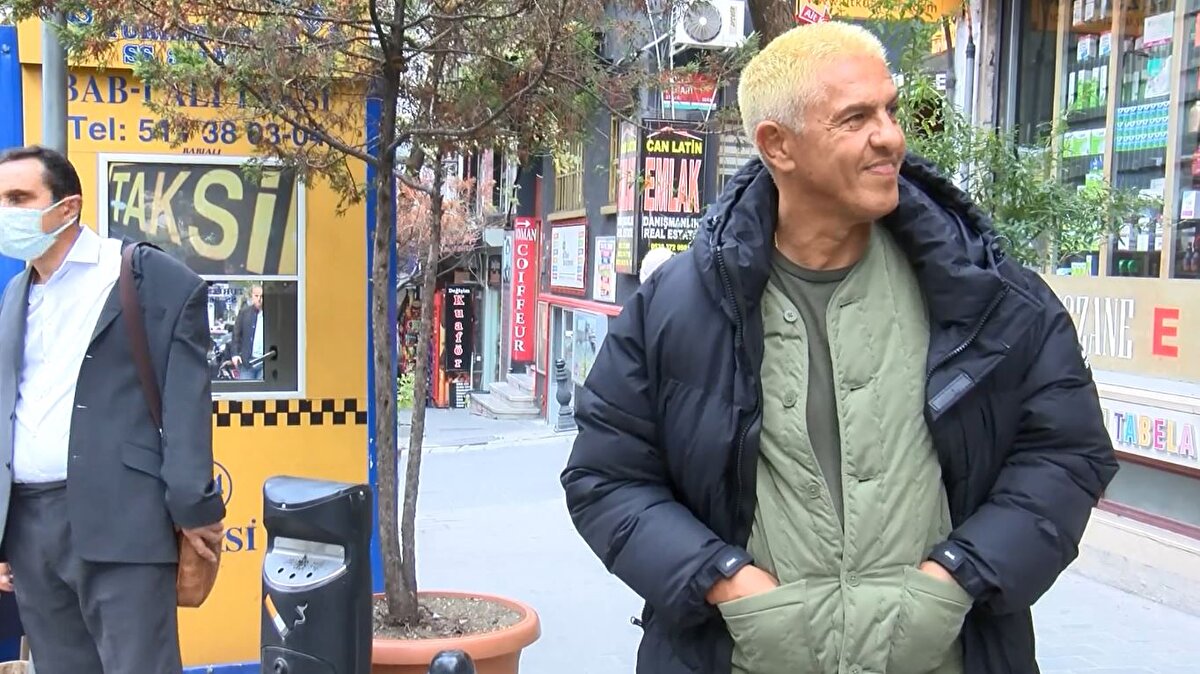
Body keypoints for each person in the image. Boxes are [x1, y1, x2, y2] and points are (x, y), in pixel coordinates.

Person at [561, 22, 1117, 674]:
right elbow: (606, 477)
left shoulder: (986, 293)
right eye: (856, 118)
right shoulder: (677, 309)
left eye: (889, 109)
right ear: (778, 145)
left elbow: (1066, 451)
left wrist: (958, 575)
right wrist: (724, 579)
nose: (891, 136)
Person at [0, 145, 225, 674]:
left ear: (68, 207)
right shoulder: (16, 293)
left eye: (18, 198)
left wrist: (195, 507)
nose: (5, 213)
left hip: (123, 520)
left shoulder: (142, 275)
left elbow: (187, 400)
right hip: (32, 531)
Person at [232, 284, 264, 380]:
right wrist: (235, 354)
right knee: (245, 392)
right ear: (252, 297)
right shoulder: (244, 313)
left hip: (265, 362)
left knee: (264, 393)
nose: (259, 299)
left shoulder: (273, 313)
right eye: (256, 296)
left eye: (262, 296)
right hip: (247, 362)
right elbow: (236, 335)